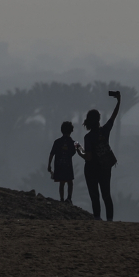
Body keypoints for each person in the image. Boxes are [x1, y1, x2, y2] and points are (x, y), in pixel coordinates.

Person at [77, 91, 121, 221]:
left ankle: (97, 219)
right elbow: (114, 116)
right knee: (106, 195)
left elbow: (88, 157)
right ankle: (110, 220)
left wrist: (79, 151)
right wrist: (119, 101)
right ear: (98, 120)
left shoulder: (88, 137)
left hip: (91, 169)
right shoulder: (105, 130)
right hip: (105, 168)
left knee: (94, 195)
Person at [47, 121, 77, 204]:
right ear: (71, 131)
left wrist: (49, 165)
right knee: (70, 182)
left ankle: (62, 199)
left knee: (62, 182)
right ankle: (69, 198)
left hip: (59, 165)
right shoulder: (72, 142)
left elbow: (52, 154)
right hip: (68, 165)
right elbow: (73, 153)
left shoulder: (57, 142)